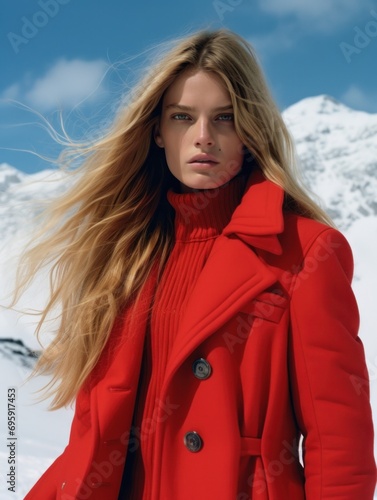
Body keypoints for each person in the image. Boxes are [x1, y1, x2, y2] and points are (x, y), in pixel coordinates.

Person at [19, 29, 375, 499]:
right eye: (183, 117)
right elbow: (92, 436)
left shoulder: (306, 251)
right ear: (158, 131)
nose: (203, 137)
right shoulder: (124, 253)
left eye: (225, 118)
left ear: (251, 131)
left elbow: (339, 442)